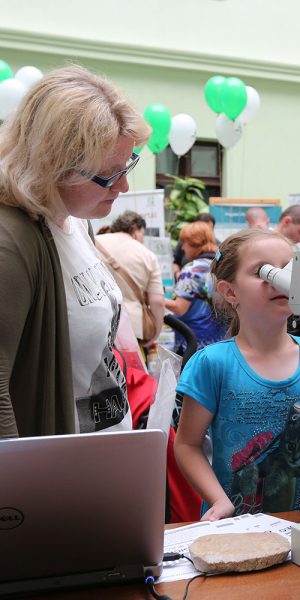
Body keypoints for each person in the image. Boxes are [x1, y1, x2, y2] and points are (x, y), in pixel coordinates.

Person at [0, 64, 149, 439]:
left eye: (128, 165)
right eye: (110, 173)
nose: (123, 186)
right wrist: (22, 474)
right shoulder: (11, 241)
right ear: (56, 166)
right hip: (57, 467)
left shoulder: (77, 220)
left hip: (100, 453)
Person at [174, 228, 300, 520]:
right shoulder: (212, 364)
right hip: (233, 526)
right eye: (263, 271)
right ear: (230, 292)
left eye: (286, 269)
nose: (279, 280)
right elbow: (187, 444)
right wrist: (218, 501)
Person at [96, 210, 164, 346]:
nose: (142, 239)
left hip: (94, 322)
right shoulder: (147, 255)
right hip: (130, 328)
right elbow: (157, 301)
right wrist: (156, 332)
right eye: (142, 234)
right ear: (135, 230)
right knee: (127, 361)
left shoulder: (93, 242)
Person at [165, 221, 227, 351]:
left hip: (193, 341)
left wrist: (153, 298)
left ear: (195, 243)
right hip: (220, 339)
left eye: (185, 243)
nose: (182, 248)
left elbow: (180, 308)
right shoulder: (220, 267)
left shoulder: (192, 270)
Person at [172, 212, 217, 280]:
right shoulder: (219, 263)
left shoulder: (189, 273)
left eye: (210, 228)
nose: (183, 248)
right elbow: (176, 261)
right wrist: (177, 273)